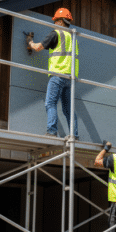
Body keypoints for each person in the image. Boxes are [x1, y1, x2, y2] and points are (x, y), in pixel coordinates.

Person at [27, 8, 79, 139]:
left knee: (50, 103)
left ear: (61, 21)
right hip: (70, 77)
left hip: (57, 74)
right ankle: (74, 135)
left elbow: (38, 47)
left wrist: (30, 42)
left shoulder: (56, 34)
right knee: (68, 109)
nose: (54, 24)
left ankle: (51, 132)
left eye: (55, 21)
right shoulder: (72, 38)